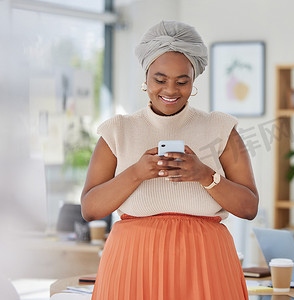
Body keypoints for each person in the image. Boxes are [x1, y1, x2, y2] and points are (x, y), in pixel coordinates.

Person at [81, 20, 259, 300]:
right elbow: (90, 209)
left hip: (206, 267)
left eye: (182, 81)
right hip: (133, 267)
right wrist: (136, 173)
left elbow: (249, 207)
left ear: (194, 80)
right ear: (146, 78)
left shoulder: (221, 128)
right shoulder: (118, 130)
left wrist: (205, 175)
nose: (170, 90)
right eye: (160, 79)